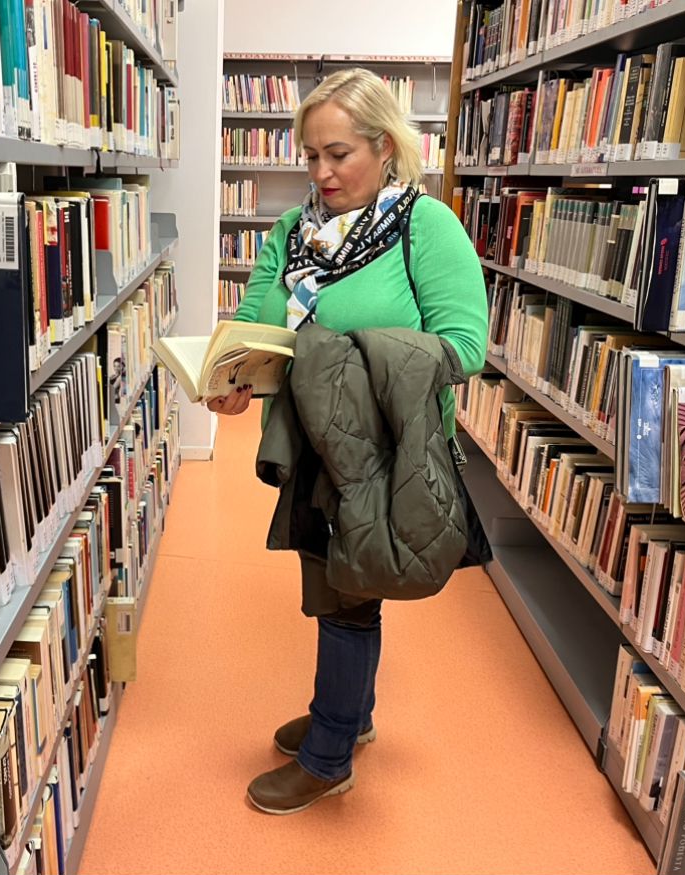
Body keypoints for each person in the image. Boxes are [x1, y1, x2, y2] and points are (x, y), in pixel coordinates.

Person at [208, 68, 488, 815]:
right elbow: (256, 325)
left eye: (339, 154)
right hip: (308, 448)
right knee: (334, 582)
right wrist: (232, 375)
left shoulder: (425, 227)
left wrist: (340, 356)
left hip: (383, 452)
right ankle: (351, 714)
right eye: (310, 156)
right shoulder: (289, 233)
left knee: (350, 598)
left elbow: (464, 345)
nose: (322, 173)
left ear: (386, 146)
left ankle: (330, 752)